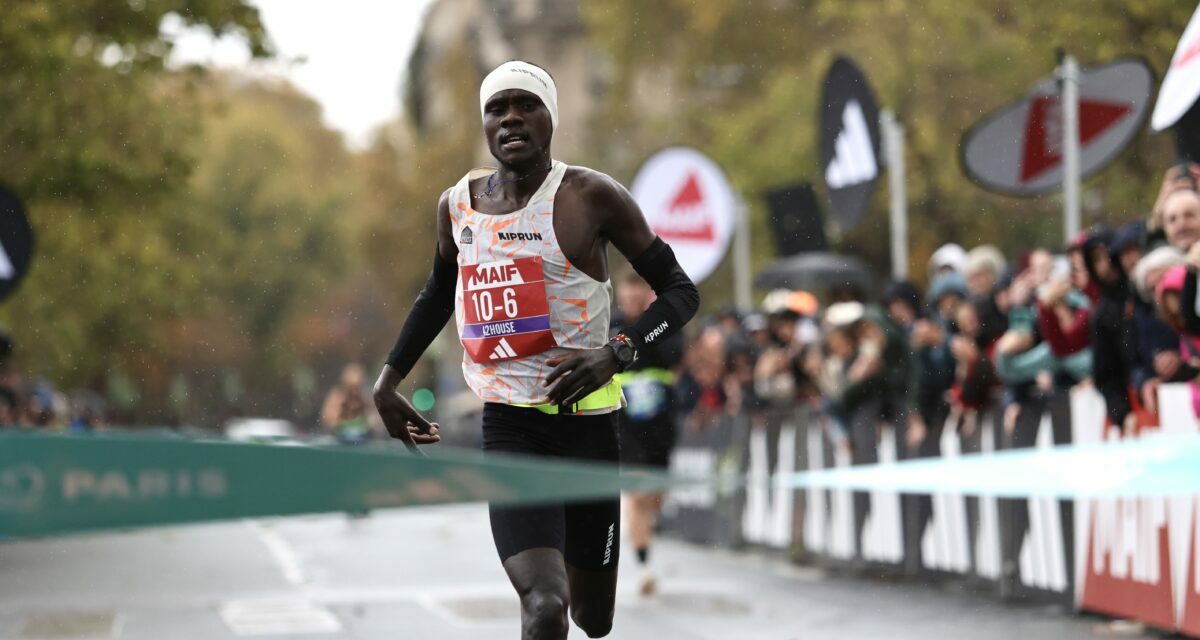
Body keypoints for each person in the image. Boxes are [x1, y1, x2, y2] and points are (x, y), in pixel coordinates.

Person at [372, 60, 699, 639]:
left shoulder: (591, 196)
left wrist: (615, 353)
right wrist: (389, 379)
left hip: (589, 432)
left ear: (551, 117)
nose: (512, 118)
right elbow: (437, 293)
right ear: (484, 125)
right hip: (511, 430)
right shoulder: (458, 206)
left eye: (527, 105)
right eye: (497, 109)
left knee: (592, 620)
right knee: (545, 606)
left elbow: (680, 293)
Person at [610, 272, 684, 596]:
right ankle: (644, 567)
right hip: (626, 427)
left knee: (654, 498)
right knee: (639, 495)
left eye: (638, 293)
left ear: (647, 293)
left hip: (661, 427)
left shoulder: (663, 324)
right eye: (626, 294)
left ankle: (641, 527)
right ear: (620, 295)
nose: (631, 299)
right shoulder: (609, 326)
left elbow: (679, 359)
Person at [321, 363, 373, 444]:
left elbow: (375, 421)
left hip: (363, 442)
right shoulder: (337, 397)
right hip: (338, 441)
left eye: (356, 388)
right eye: (350, 388)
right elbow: (328, 419)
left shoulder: (366, 399)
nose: (353, 393)